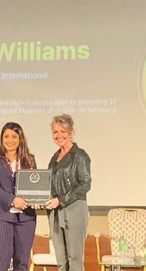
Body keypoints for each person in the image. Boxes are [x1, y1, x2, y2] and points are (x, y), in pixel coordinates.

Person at [0, 122, 37, 271]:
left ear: (20, 139)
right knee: (2, 260)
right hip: (1, 216)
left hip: (26, 218)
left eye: (14, 136)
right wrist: (13, 200)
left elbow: (34, 186)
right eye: (6, 136)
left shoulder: (30, 159)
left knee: (22, 263)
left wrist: (36, 200)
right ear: (1, 138)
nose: (10, 140)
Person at [45, 114, 91, 271]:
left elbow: (85, 184)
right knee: (61, 261)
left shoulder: (80, 155)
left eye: (63, 131)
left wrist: (61, 200)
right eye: (55, 132)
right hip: (56, 213)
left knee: (74, 260)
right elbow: (49, 184)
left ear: (71, 133)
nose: (59, 135)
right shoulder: (55, 157)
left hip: (74, 209)